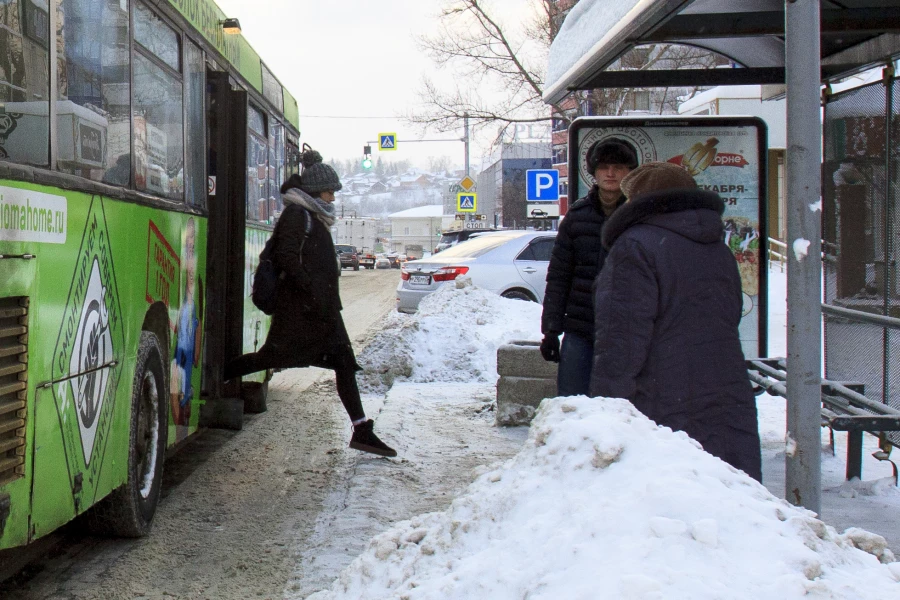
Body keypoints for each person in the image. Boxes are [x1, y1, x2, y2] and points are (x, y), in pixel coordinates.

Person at [589, 162, 762, 482]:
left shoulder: (635, 247)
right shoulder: (719, 249)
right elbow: (730, 315)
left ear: (638, 202)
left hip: (661, 400)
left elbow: (621, 341)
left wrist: (606, 413)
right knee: (725, 504)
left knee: (668, 508)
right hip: (725, 392)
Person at [226, 146, 397, 458]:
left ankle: (361, 430)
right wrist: (309, 288)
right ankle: (218, 374)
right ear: (318, 190)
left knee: (344, 363)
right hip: (301, 310)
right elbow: (286, 256)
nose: (333, 198)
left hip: (321, 310)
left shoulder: (312, 214)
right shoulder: (297, 214)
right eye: (330, 192)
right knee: (269, 358)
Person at [540, 139, 638, 396]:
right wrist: (551, 330)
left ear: (630, 171)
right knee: (572, 405)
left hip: (627, 332)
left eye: (618, 167)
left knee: (624, 409)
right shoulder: (577, 216)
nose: (611, 173)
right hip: (580, 329)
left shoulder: (640, 216)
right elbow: (559, 277)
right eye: (604, 167)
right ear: (593, 172)